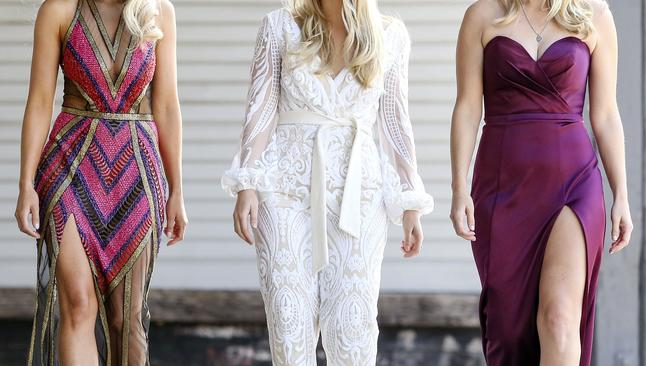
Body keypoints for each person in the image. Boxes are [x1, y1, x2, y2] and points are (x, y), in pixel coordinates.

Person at [221, 0, 433, 364]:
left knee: (353, 329)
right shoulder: (278, 26)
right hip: (283, 192)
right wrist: (246, 182)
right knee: (289, 328)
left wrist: (410, 200)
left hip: (361, 196)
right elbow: (261, 107)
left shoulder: (390, 36)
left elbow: (396, 122)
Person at [450, 0, 632, 364]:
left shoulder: (595, 16)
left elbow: (606, 114)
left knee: (560, 320)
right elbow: (468, 107)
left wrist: (621, 195)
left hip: (573, 183)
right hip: (502, 185)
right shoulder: (481, 16)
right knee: (510, 330)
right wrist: (458, 188)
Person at [15, 0, 187, 364]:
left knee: (127, 316)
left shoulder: (160, 11)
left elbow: (168, 106)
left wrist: (177, 190)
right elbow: (41, 100)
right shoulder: (59, 10)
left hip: (138, 170)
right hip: (69, 164)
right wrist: (25, 183)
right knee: (78, 304)